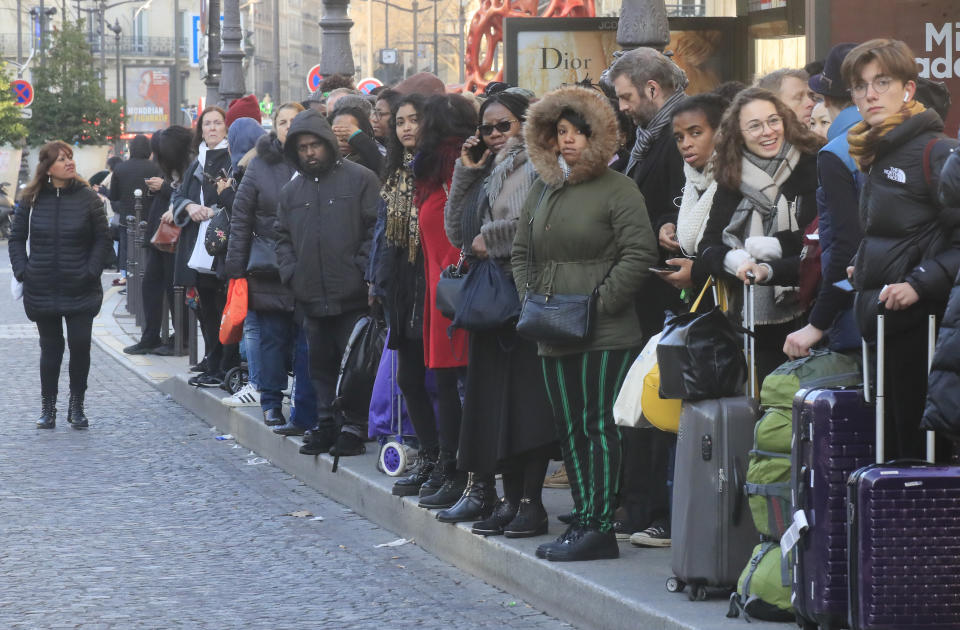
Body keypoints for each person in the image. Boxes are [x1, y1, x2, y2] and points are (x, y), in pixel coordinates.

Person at [513, 86, 658, 562]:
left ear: (598, 136)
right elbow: (521, 251)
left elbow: (640, 254)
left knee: (598, 425)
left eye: (578, 131)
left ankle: (599, 525)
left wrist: (601, 303)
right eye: (560, 132)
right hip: (551, 325)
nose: (568, 140)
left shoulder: (619, 188)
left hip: (604, 330)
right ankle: (584, 517)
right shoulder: (543, 186)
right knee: (568, 425)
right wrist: (532, 298)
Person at [440, 87, 558, 536]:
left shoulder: (539, 162)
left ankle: (531, 502)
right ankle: (509, 500)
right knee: (494, 407)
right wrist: (466, 173)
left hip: (525, 293)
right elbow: (458, 231)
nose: (493, 135)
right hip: (490, 300)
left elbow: (539, 220)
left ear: (525, 123)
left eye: (503, 125)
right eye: (486, 127)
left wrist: (493, 238)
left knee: (526, 406)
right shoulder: (487, 167)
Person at [842, 39, 960, 460]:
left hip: (925, 330)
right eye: (859, 86)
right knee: (892, 460)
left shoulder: (937, 152)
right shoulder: (876, 149)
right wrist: (863, 264)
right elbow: (896, 232)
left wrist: (919, 283)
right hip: (882, 325)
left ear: (908, 90)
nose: (869, 95)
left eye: (882, 82)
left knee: (918, 462)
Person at [370, 93, 472, 507]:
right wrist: (377, 282)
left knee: (444, 382)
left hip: (434, 281)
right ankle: (431, 456)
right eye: (400, 122)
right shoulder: (396, 172)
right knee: (409, 378)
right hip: (404, 283)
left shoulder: (442, 170)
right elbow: (383, 232)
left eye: (415, 120)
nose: (408, 128)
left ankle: (452, 465)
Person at [607, 46, 687, 548]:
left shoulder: (674, 134)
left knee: (659, 404)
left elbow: (676, 204)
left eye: (627, 97)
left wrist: (664, 224)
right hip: (650, 288)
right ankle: (639, 503)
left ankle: (655, 508)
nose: (623, 108)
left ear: (653, 90)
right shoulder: (647, 136)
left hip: (669, 291)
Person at [697, 87, 824, 380]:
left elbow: (819, 241)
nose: (767, 132)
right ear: (738, 133)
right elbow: (708, 246)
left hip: (807, 313)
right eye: (754, 126)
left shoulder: (814, 165)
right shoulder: (732, 174)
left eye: (773, 121)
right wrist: (735, 261)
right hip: (750, 319)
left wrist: (775, 251)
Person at [274, 108, 381, 457]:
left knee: (355, 364)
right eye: (302, 147)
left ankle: (353, 426)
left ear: (327, 144)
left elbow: (374, 230)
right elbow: (282, 238)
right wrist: (292, 273)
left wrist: (362, 271)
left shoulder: (361, 179)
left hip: (351, 293)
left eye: (314, 145)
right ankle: (326, 422)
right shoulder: (292, 193)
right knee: (318, 363)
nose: (309, 153)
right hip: (310, 293)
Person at [9, 141, 110, 429]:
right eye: (62, 159)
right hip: (42, 286)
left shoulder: (88, 198)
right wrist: (22, 271)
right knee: (50, 348)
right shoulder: (31, 198)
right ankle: (48, 407)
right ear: (48, 167)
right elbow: (16, 239)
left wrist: (91, 271)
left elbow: (102, 239)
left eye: (70, 157)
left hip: (80, 286)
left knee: (80, 346)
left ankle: (77, 405)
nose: (69, 163)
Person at [225, 102, 304, 427]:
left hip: (308, 267)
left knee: (306, 341)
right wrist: (236, 268)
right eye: (282, 121)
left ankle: (304, 402)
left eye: (294, 121)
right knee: (271, 338)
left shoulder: (317, 160)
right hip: (268, 268)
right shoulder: (259, 165)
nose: (288, 126)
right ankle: (271, 400)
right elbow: (242, 218)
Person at [784, 43, 864, 359]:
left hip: (854, 311)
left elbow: (847, 247)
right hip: (906, 305)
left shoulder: (836, 153)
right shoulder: (900, 139)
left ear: (825, 99)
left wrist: (818, 322)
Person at [172, 105, 233, 387]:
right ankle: (212, 357)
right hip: (197, 242)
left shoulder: (232, 157)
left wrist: (213, 209)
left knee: (221, 307)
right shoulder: (197, 161)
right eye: (207, 123)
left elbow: (236, 197)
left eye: (217, 123)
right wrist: (191, 206)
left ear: (225, 127)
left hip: (220, 242)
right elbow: (179, 198)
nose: (211, 128)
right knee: (205, 306)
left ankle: (224, 364)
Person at [125, 127, 195, 357]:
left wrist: (164, 188)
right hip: (160, 233)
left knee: (173, 287)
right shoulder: (172, 169)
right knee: (151, 285)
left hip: (176, 235)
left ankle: (182, 339)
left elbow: (187, 198)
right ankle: (151, 336)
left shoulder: (191, 168)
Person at [654, 93, 728, 294]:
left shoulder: (734, 178)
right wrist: (668, 225)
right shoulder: (691, 177)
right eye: (679, 137)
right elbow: (677, 212)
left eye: (695, 133)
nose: (685, 144)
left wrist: (697, 272)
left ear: (719, 133)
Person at [111, 138, 161, 288]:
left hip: (127, 219)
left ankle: (130, 285)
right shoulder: (155, 168)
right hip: (151, 219)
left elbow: (114, 196)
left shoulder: (120, 169)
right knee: (148, 254)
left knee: (128, 252)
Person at [329, 105, 383, 174]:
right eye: (337, 132)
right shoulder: (325, 161)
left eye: (348, 132)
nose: (342, 138)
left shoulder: (371, 162)